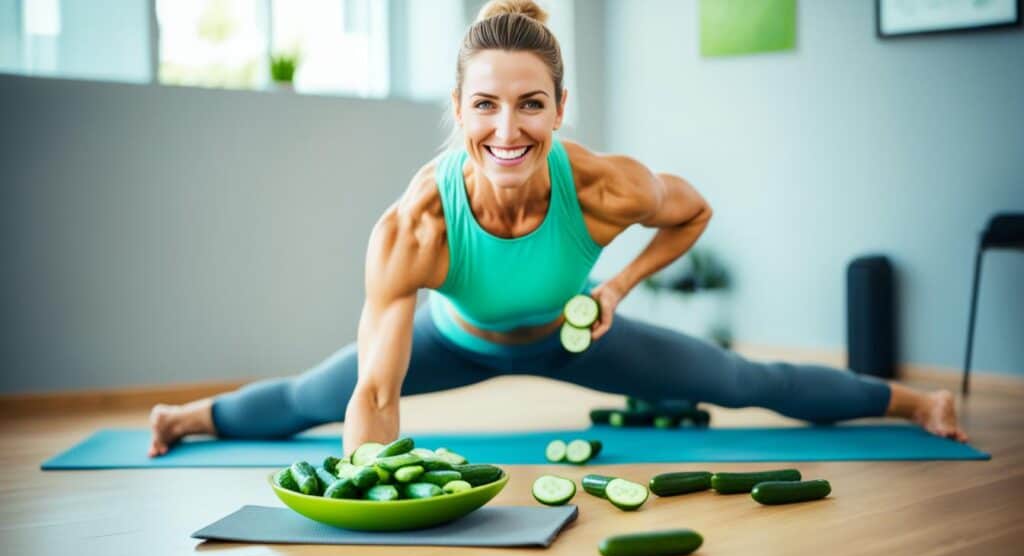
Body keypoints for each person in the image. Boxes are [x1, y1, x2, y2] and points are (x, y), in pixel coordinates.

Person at [148, 0, 967, 458]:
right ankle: (181, 419)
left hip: (576, 336)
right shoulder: (418, 223)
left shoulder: (605, 185)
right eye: (486, 104)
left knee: (743, 381)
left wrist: (615, 284)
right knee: (308, 398)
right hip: (452, 339)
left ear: (560, 108)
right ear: (459, 110)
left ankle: (916, 400)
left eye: (531, 103)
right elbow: (377, 392)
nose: (508, 129)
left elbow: (694, 211)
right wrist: (372, 496)